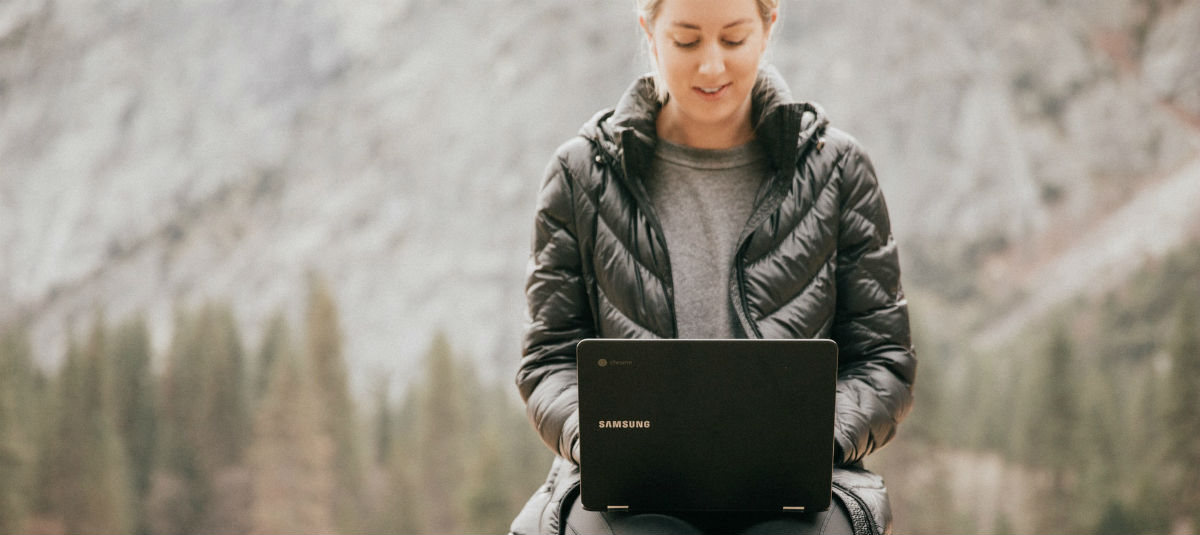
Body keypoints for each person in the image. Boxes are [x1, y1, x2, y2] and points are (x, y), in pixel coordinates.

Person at [510, 0, 917, 533]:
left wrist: (811, 442)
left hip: (800, 491)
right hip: (629, 495)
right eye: (686, 40)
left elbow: (883, 358)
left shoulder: (837, 170)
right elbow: (548, 360)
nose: (710, 66)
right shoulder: (580, 174)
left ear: (768, 29)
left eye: (732, 39)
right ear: (649, 32)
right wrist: (606, 441)